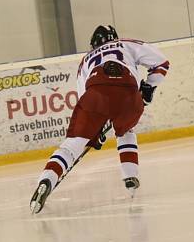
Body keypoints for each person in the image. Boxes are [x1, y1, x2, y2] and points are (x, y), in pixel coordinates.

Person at [30, 25, 170, 214]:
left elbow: (85, 98)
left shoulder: (85, 60)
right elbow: (162, 63)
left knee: (72, 145)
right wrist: (149, 87)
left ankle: (46, 179)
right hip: (129, 94)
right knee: (125, 130)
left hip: (95, 93)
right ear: (115, 38)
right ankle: (130, 178)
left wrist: (95, 131)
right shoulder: (125, 44)